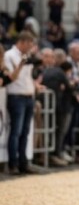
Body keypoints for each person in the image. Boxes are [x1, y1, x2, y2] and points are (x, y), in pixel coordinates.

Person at [3, 31, 39, 175]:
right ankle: (13, 164)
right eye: (30, 44)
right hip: (16, 96)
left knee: (25, 132)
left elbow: (27, 77)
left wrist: (35, 86)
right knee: (16, 132)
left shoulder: (26, 56)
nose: (31, 47)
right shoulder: (9, 56)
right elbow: (12, 77)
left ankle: (23, 163)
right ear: (22, 42)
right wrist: (21, 64)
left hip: (28, 96)